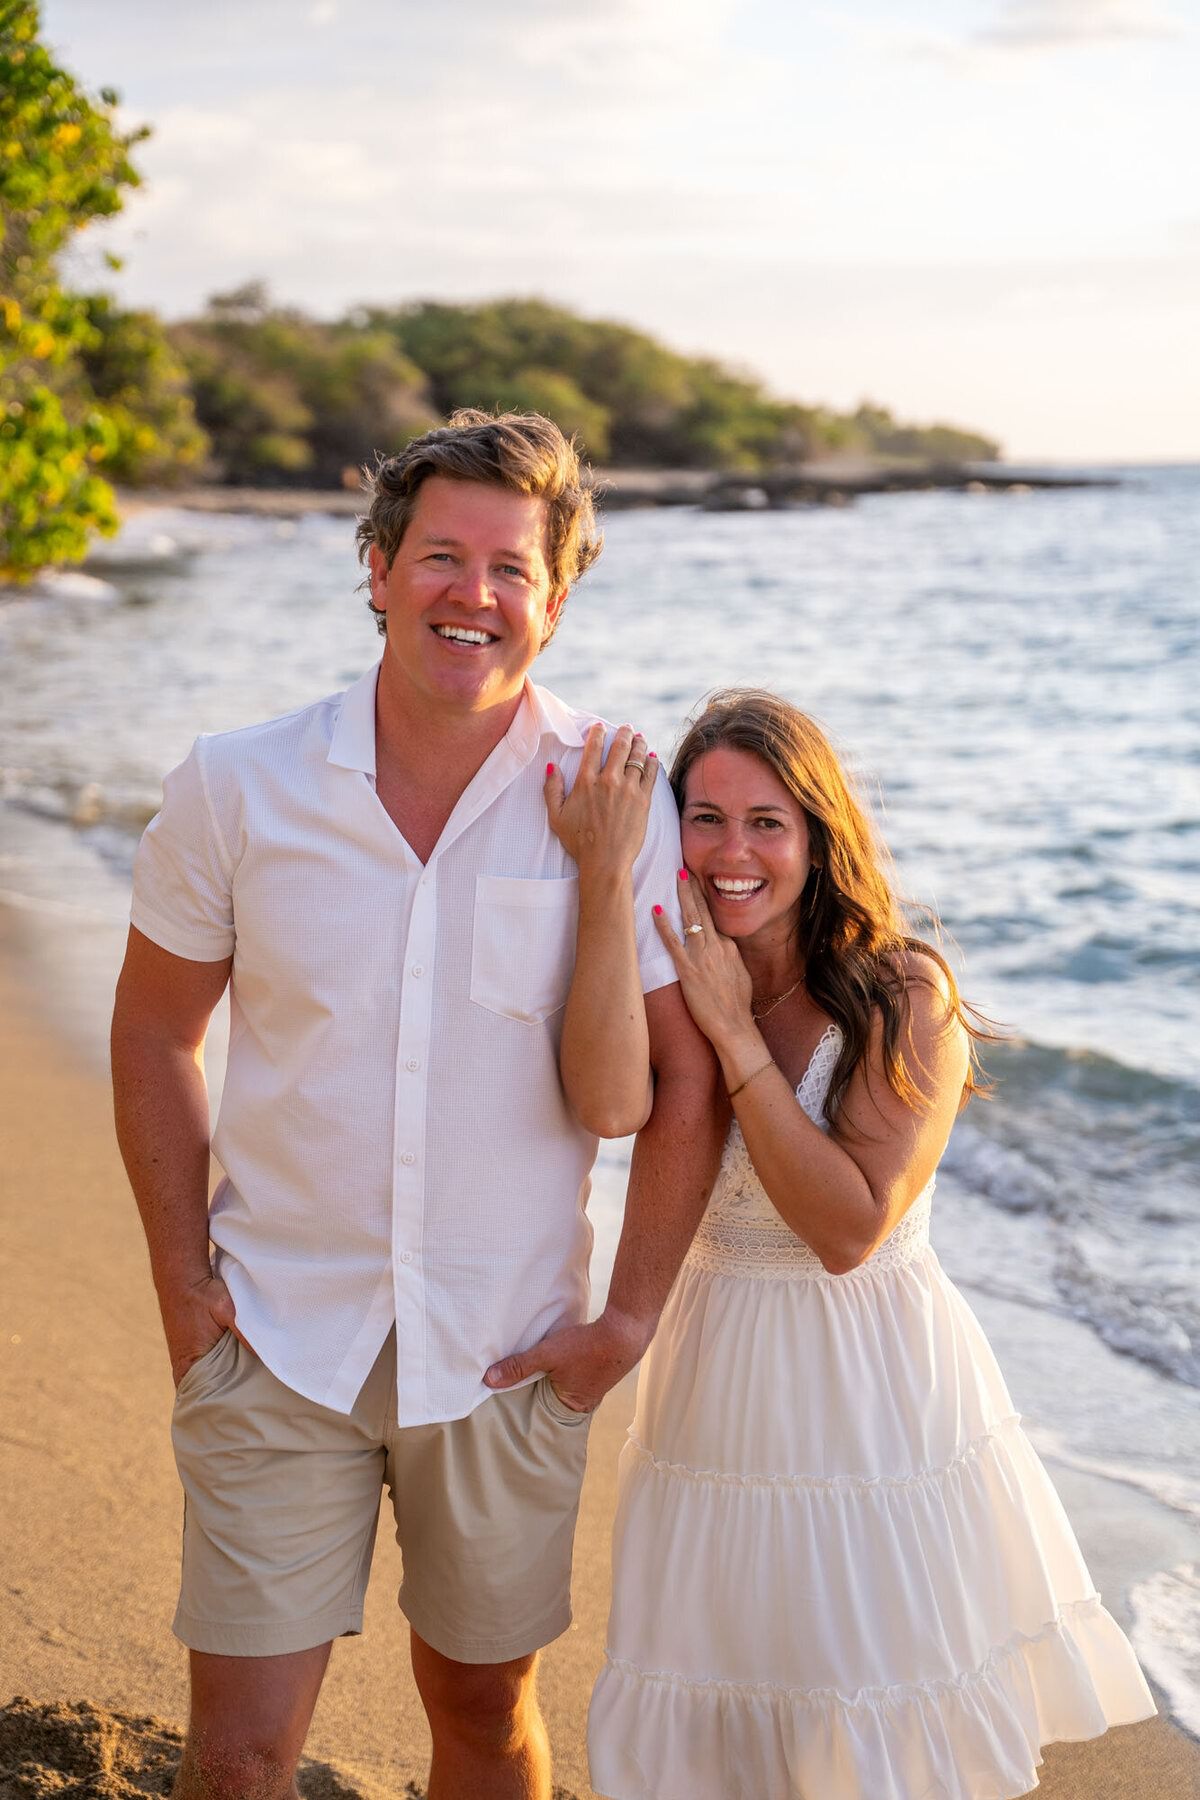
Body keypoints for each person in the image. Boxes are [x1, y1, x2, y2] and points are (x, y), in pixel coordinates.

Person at [109, 410, 724, 1800]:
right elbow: (154, 1032)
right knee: (242, 1750)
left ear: (555, 604)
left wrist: (623, 1318)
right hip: (274, 1335)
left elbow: (682, 1083)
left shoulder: (619, 798)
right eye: (442, 556)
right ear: (378, 569)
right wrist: (180, 1285)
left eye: (512, 570)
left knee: (483, 1720)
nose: (475, 594)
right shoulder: (239, 784)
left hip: (505, 1352)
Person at [551, 689, 1155, 1800]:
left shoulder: (903, 993)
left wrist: (736, 1034)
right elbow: (603, 1107)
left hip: (869, 1391)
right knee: (720, 1701)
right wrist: (602, 899)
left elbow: (846, 1229)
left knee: (864, 1708)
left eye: (767, 822)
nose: (734, 852)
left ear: (820, 836)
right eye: (706, 819)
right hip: (715, 1372)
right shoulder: (670, 969)